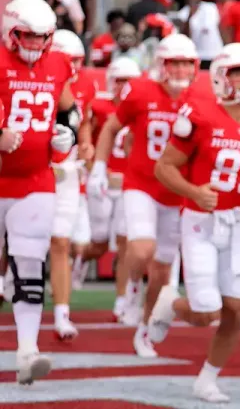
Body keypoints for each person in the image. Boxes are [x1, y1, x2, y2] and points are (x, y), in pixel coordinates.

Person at [148, 43, 240, 403]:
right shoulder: (201, 115)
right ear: (222, 77)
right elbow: (164, 167)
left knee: (236, 309)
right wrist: (193, 191)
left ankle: (207, 378)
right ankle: (170, 304)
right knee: (206, 311)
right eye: (239, 72)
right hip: (201, 221)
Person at [87, 33, 202, 357]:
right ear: (161, 64)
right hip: (141, 184)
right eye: (174, 63)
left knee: (164, 271)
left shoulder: (202, 96)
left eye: (185, 63)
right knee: (140, 247)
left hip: (178, 193)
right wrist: (99, 166)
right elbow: (111, 127)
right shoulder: (140, 91)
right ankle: (132, 288)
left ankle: (144, 330)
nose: (180, 70)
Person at [0, 0, 77, 385]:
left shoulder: (59, 62)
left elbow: (70, 107)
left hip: (35, 179)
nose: (34, 45)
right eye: (26, 37)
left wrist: (69, 132)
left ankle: (27, 351)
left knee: (30, 263)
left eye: (41, 38)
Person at [79, 57, 140, 322]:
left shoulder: (144, 107)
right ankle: (80, 259)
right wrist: (96, 169)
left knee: (125, 241)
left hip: (130, 184)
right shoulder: (100, 106)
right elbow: (87, 140)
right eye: (120, 80)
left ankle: (121, 301)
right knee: (100, 244)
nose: (125, 87)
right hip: (103, 183)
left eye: (130, 81)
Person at [46, 29, 93, 341]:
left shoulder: (85, 84)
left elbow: (84, 120)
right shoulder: (33, 79)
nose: (72, 68)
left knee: (61, 242)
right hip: (30, 168)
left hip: (65, 170)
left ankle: (62, 314)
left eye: (77, 61)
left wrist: (87, 143)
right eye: (67, 61)